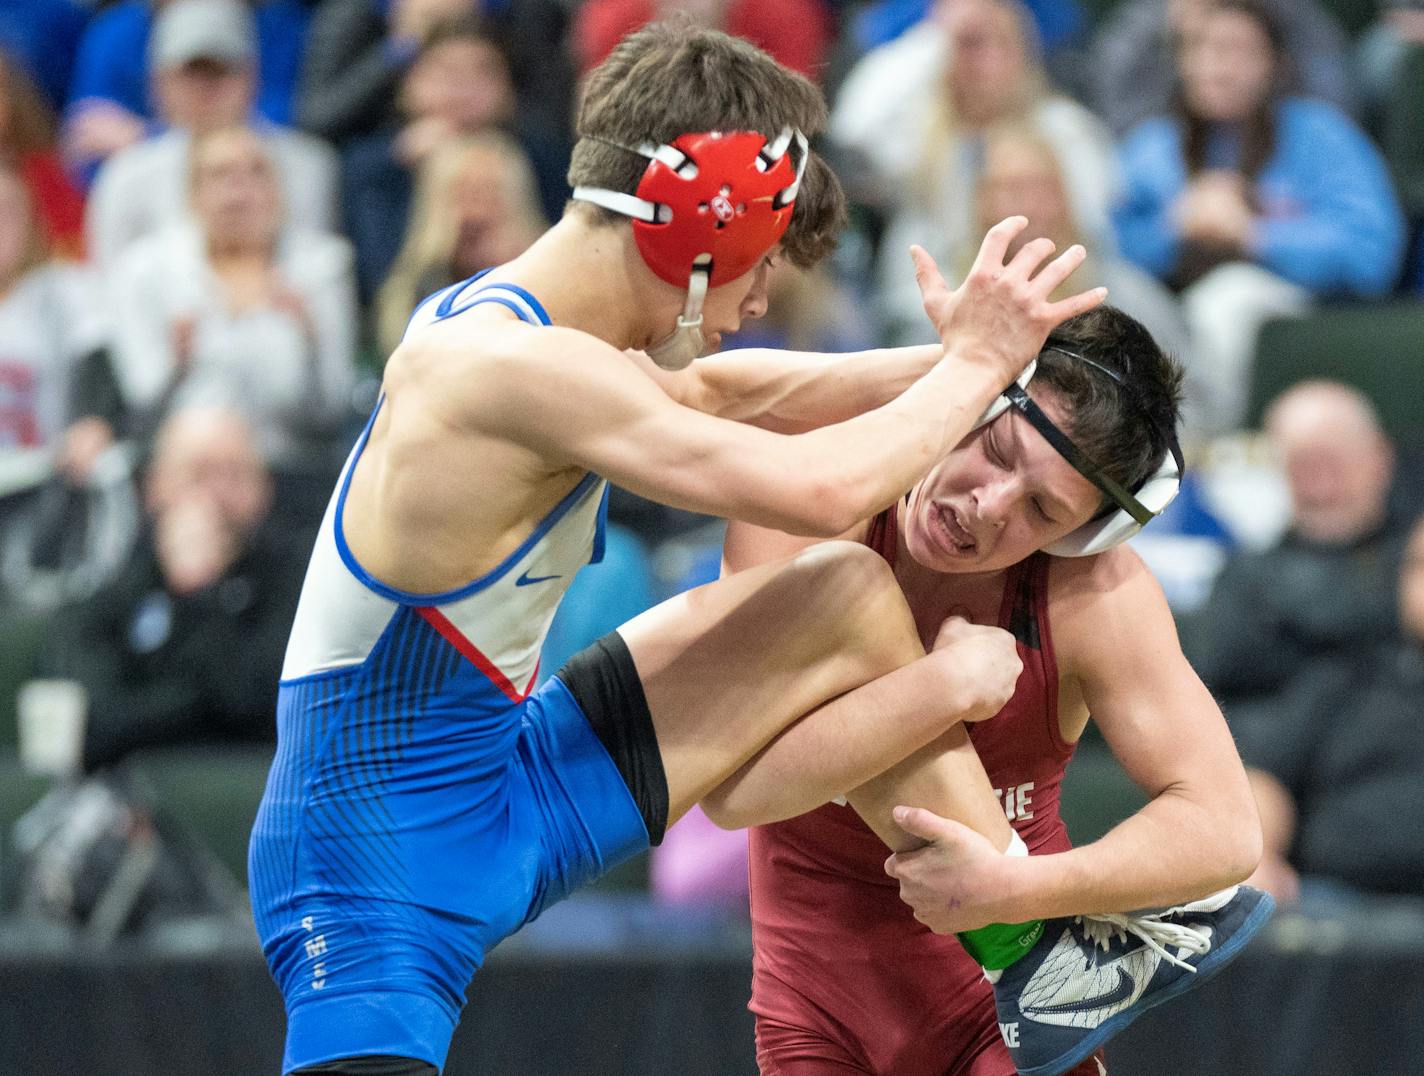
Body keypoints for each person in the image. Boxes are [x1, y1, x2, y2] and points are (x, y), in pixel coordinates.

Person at [246, 24, 1255, 1076]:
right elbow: (819, 483)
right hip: (370, 854)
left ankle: (1028, 950)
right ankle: (1028, 935)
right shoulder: (497, 369)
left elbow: (725, 391)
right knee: (839, 553)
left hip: (513, 771)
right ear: (703, 220)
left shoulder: (548, 341)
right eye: (765, 256)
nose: (763, 300)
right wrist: (972, 375)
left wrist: (997, 364)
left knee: (845, 591)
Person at [722, 305, 1267, 1076]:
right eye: (997, 449)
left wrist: (1018, 886)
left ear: (1081, 536)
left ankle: (1042, 948)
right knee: (845, 591)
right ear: (973, 400)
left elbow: (1225, 829)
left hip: (1008, 1012)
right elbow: (736, 787)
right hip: (814, 1008)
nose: (988, 505)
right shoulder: (818, 496)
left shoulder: (1091, 594)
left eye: (1042, 509)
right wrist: (940, 688)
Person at [1114, 0, 1406, 435]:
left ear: (1273, 63)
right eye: (1201, 48)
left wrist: (1254, 235)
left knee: (1229, 298)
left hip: (1295, 315)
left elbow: (1372, 253)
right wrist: (1174, 230)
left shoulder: (1319, 134)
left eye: (1237, 50)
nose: (1219, 66)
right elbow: (1110, 243)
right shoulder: (1154, 145)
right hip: (1172, 316)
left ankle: (1214, 451)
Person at [833, 0, 1119, 345]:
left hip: (1056, 295)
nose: (990, 62)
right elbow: (855, 125)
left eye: (1003, 45)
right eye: (972, 46)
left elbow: (1092, 232)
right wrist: (936, 37)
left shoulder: (1065, 131)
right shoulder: (923, 133)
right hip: (933, 313)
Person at [44, 406, 306, 770]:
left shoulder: (298, 583)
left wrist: (201, 593)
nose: (215, 497)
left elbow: (260, 707)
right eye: (198, 474)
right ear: (155, 487)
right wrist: (196, 702)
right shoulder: (125, 584)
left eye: (234, 474)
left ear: (264, 489)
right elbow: (96, 722)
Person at [106, 125, 357, 464]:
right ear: (191, 194)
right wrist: (176, 367)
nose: (239, 190)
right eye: (220, 174)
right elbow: (137, 410)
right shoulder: (145, 269)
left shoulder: (321, 267)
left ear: (279, 191)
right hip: (180, 467)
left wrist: (309, 341)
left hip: (292, 469)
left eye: (257, 173)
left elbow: (331, 412)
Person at [1187, 381, 1409, 728]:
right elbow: (1219, 682)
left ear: (1380, 458)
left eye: (1334, 463)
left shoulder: (1413, 559)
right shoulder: (1247, 575)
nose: (1321, 488)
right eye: (1302, 466)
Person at [1242, 513, 1424, 908]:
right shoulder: (1344, 676)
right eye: (1421, 565)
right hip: (1334, 903)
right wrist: (1259, 858)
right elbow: (1267, 779)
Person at [84, 0, 338, 272]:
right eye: (191, 72)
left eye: (220, 70)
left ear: (252, 74)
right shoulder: (124, 177)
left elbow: (320, 273)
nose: (205, 89)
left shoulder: (309, 166)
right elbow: (107, 291)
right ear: (159, 83)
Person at [375, 132, 548, 358]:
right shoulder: (415, 287)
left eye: (491, 192)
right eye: (464, 193)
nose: (477, 212)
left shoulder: (548, 270)